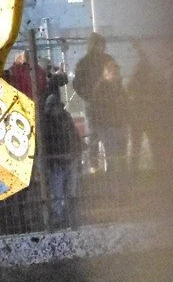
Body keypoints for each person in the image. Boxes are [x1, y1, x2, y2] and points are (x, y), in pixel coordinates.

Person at [72, 34, 117, 172]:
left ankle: (110, 166)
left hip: (107, 105)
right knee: (94, 136)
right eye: (99, 44)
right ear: (93, 45)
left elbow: (116, 77)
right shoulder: (85, 62)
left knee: (108, 136)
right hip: (93, 105)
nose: (101, 47)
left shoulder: (107, 59)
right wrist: (88, 96)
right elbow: (77, 83)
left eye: (102, 44)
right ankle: (94, 167)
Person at [40, 88, 82, 228]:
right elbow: (47, 143)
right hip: (56, 162)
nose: (56, 109)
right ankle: (59, 217)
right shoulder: (46, 123)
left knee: (71, 190)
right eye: (54, 107)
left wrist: (77, 149)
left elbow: (73, 134)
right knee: (57, 192)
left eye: (58, 106)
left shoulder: (66, 117)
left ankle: (71, 216)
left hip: (69, 158)